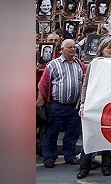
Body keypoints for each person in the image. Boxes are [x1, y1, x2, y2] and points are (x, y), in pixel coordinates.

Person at [37, 39, 85, 168]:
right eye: (69, 47)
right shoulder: (53, 64)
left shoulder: (79, 64)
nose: (72, 49)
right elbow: (43, 84)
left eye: (74, 47)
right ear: (62, 49)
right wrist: (40, 99)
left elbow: (85, 81)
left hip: (74, 106)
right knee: (51, 133)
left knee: (72, 133)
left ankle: (69, 156)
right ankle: (49, 157)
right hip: (56, 106)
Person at [76, 37, 111, 179]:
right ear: (101, 49)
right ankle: (84, 166)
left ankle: (107, 165)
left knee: (109, 136)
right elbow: (86, 85)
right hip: (94, 105)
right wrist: (83, 103)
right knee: (90, 136)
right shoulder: (94, 64)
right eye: (108, 47)